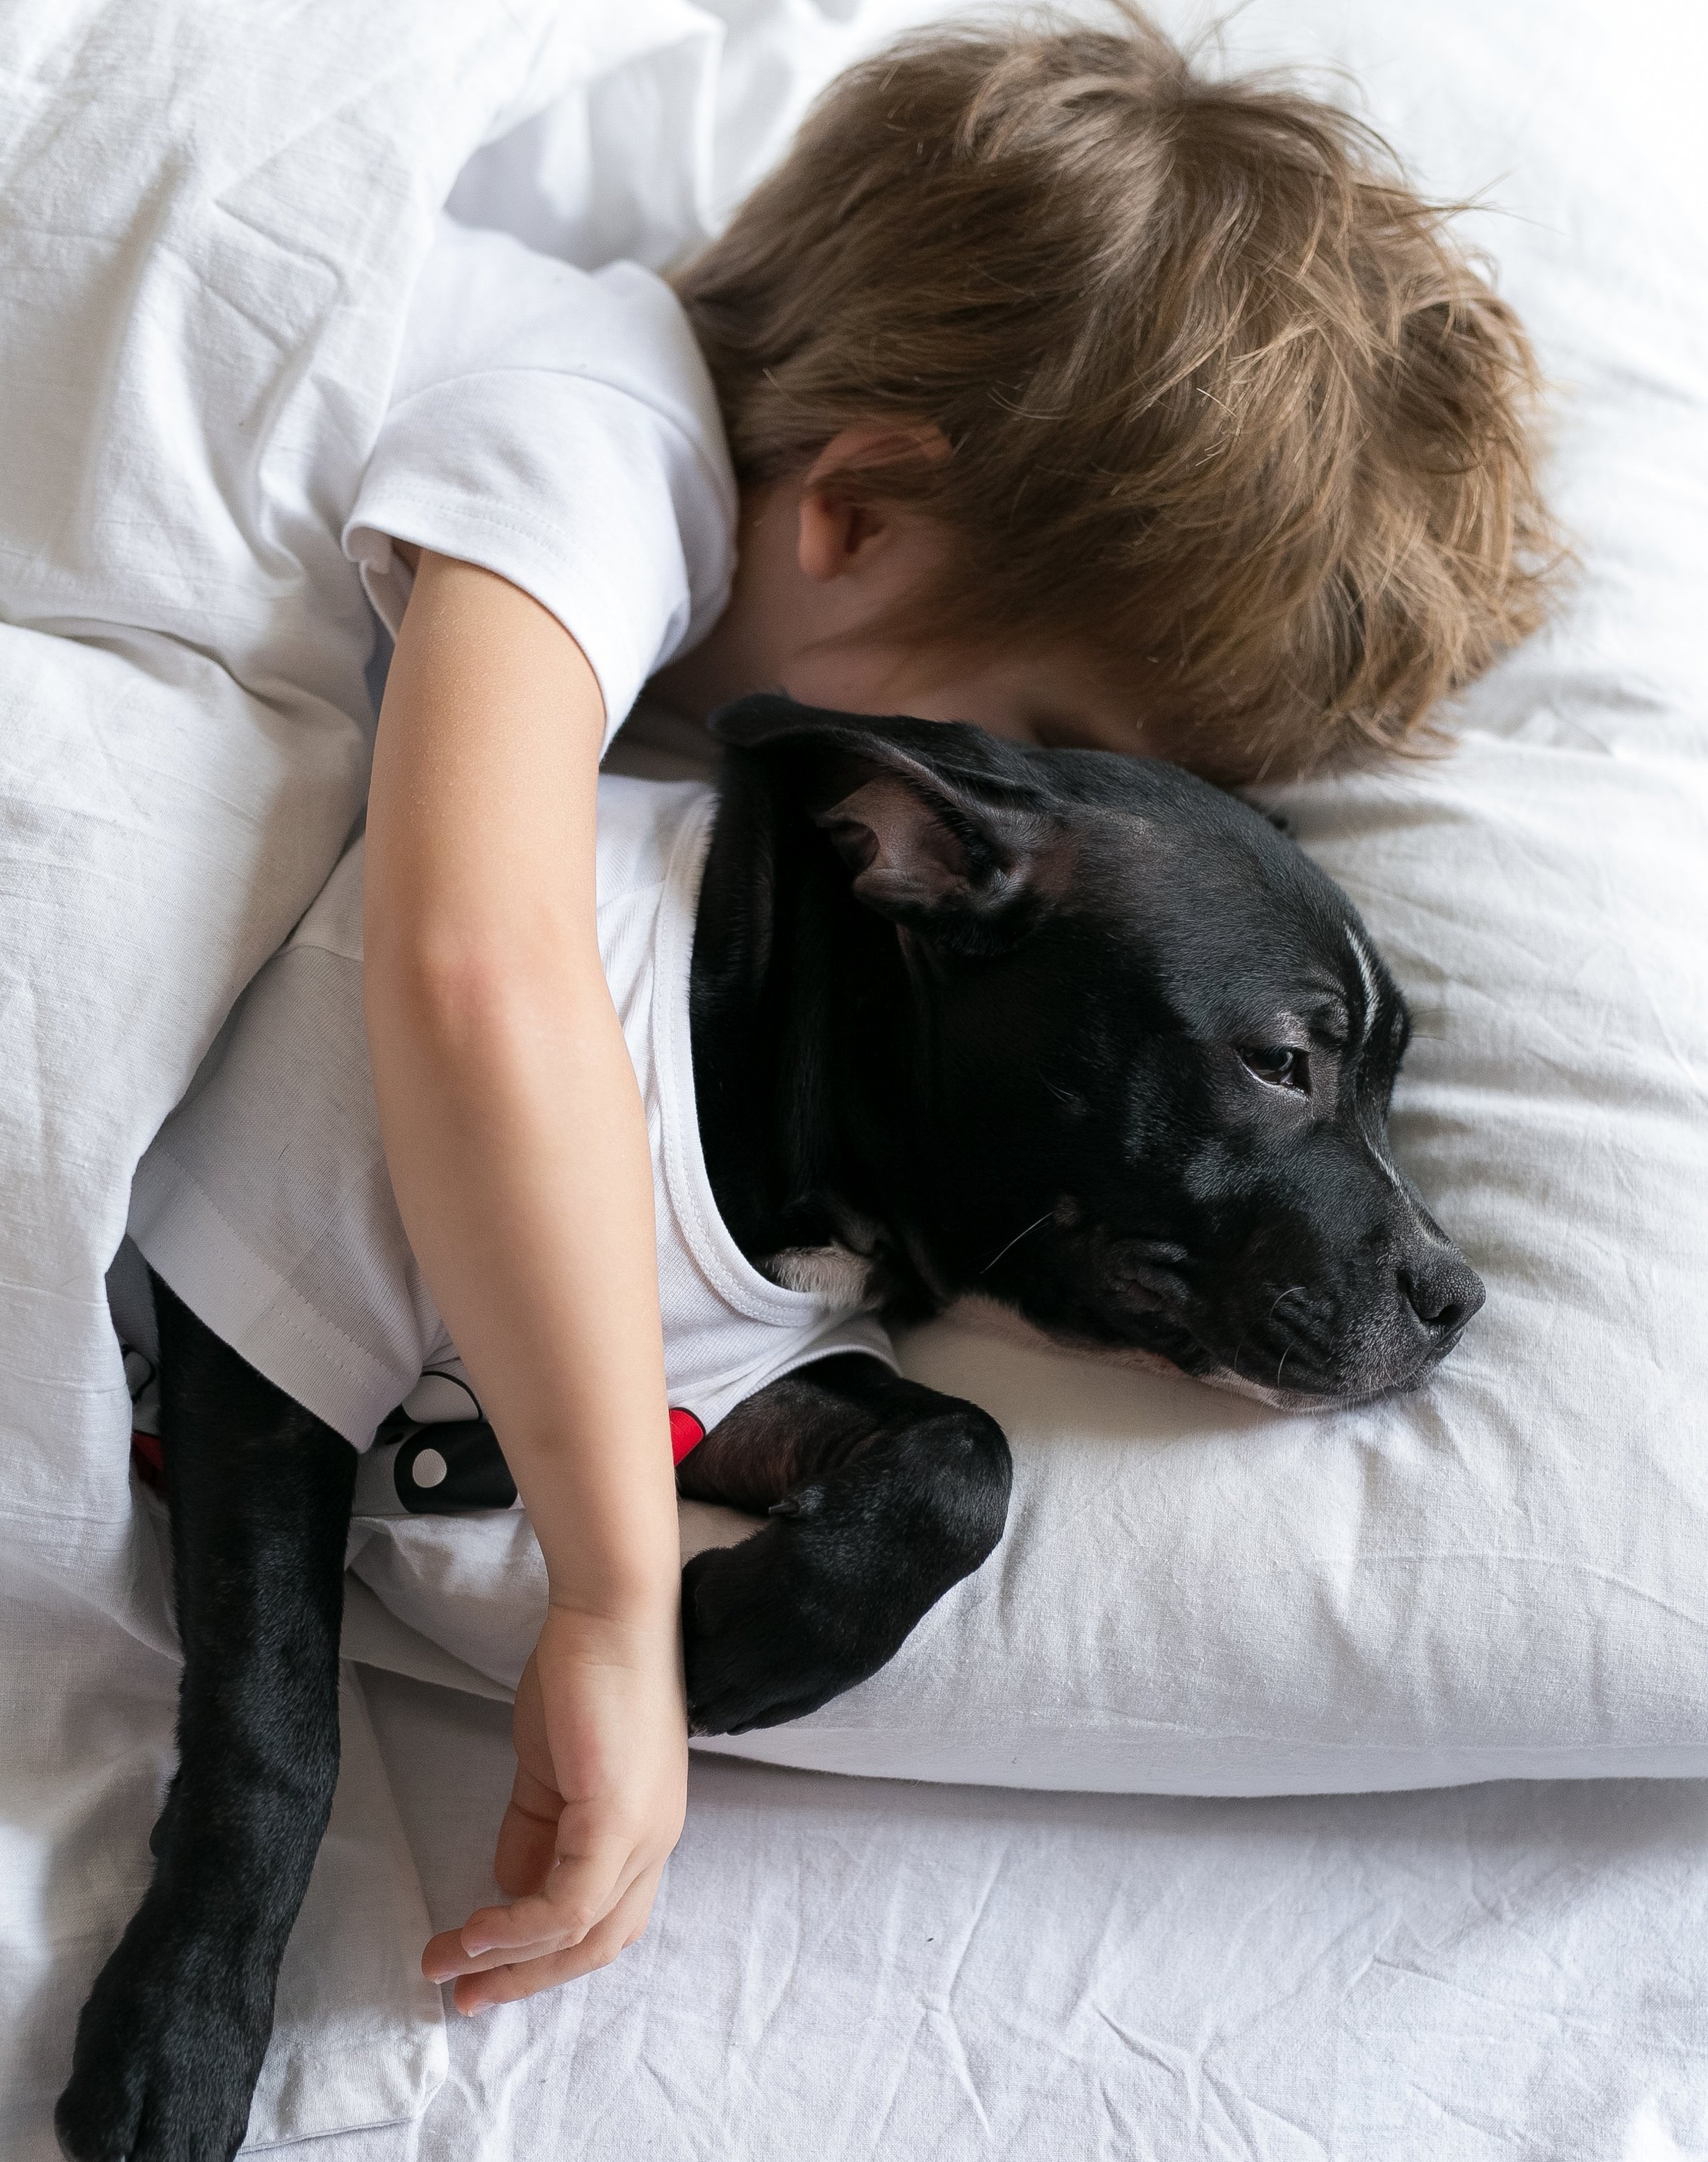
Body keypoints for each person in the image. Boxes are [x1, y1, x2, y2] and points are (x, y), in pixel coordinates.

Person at [352, 12, 1559, 2015]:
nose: (1061, 828)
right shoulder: (584, 434)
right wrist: (607, 1583)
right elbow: (475, 970)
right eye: (1056, 754)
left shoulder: (740, 610)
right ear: (849, 512)